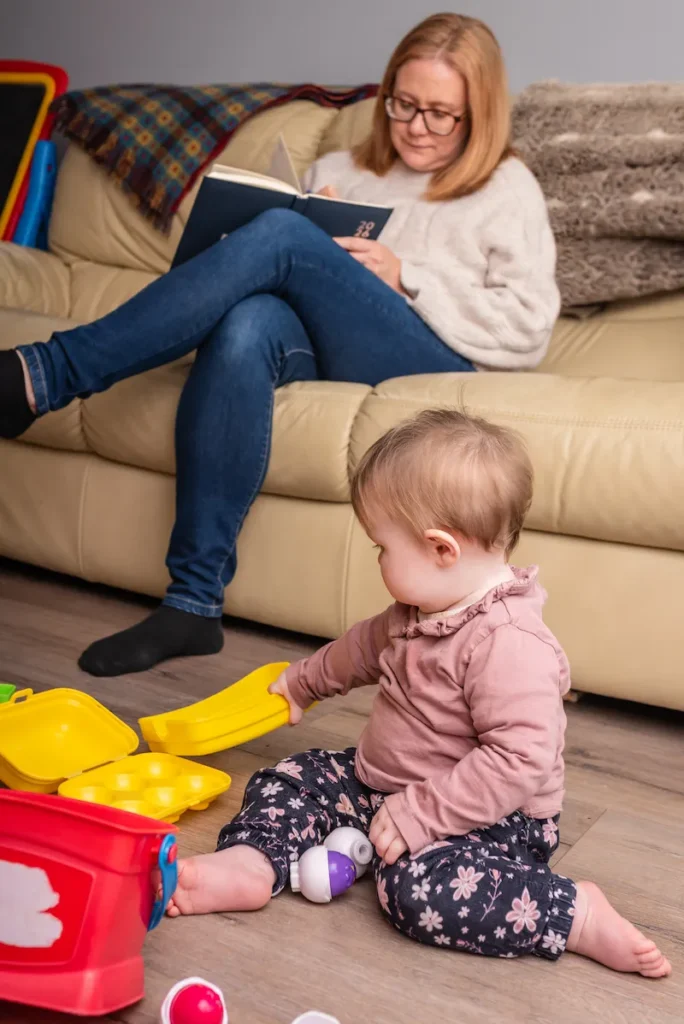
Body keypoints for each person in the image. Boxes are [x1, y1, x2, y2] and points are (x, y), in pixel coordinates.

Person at [0, 13, 560, 677]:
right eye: (404, 104)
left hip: (436, 359)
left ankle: (44, 372)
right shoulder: (342, 169)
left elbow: (528, 328)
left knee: (281, 238)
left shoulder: (506, 186)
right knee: (247, 323)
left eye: (442, 115)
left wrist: (406, 277)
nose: (416, 127)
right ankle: (192, 604)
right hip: (328, 345)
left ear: (481, 115)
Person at [165, 409, 671, 978]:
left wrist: (422, 814)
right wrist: (302, 682)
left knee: (415, 891)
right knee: (292, 778)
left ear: (441, 549)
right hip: (382, 784)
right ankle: (252, 862)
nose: (378, 559)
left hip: (486, 816)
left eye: (383, 547)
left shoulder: (509, 643)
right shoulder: (418, 609)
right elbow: (359, 650)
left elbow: (520, 760)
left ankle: (572, 913)